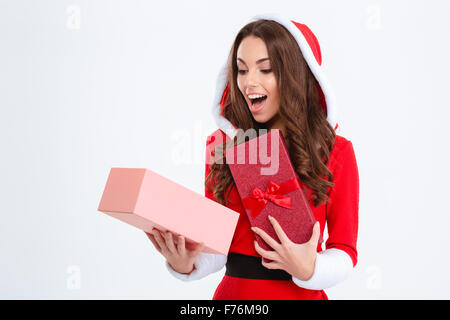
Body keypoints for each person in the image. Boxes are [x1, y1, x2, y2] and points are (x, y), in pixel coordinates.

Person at [145, 13, 359, 300]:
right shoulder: (222, 146)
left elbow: (345, 250)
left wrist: (310, 268)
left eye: (266, 69)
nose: (249, 82)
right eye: (242, 70)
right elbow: (218, 246)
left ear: (296, 75)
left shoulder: (336, 152)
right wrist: (186, 263)